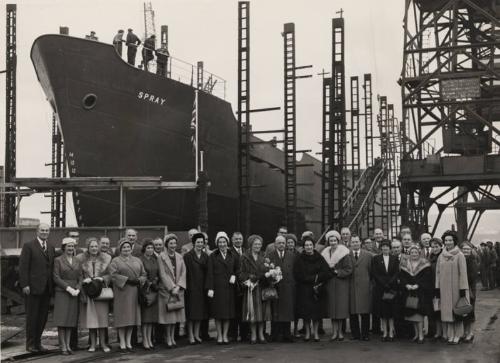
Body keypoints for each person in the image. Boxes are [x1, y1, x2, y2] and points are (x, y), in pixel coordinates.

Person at [19, 223, 55, 353]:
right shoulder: (29, 246)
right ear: (37, 231)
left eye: (47, 230)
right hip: (33, 288)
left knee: (42, 317)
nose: (44, 232)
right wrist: (25, 285)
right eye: (42, 230)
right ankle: (30, 344)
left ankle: (38, 343)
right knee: (32, 316)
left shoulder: (50, 247)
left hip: (46, 289)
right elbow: (23, 267)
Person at [109, 238, 147, 351]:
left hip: (134, 292)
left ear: (131, 249)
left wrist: (139, 280)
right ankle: (122, 342)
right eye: (124, 247)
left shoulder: (137, 260)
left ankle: (129, 342)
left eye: (128, 247)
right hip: (122, 292)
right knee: (122, 318)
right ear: (120, 249)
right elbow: (113, 275)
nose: (126, 249)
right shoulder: (115, 261)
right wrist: (126, 280)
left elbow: (144, 273)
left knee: (132, 318)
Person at [78, 237, 112, 353]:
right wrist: (84, 280)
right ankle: (92, 344)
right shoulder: (81, 260)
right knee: (91, 320)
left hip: (101, 293)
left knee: (102, 320)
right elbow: (79, 275)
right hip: (89, 293)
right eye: (91, 246)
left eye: (96, 246)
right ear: (88, 248)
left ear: (99, 248)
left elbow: (110, 275)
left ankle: (103, 344)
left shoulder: (106, 259)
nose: (94, 248)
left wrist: (102, 278)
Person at [294, 236, 331, 342]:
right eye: (306, 245)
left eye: (310, 245)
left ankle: (315, 333)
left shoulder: (319, 257)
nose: (309, 247)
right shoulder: (300, 258)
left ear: (313, 246)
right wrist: (310, 278)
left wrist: (317, 279)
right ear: (303, 247)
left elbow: (326, 272)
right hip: (304, 289)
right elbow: (297, 274)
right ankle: (307, 333)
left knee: (316, 313)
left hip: (316, 289)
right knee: (306, 313)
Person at [436, 230, 469, 345]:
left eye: (450, 240)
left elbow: (463, 273)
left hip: (456, 289)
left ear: (454, 241)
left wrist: (463, 290)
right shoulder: (441, 256)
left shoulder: (459, 255)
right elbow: (438, 273)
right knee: (447, 313)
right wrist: (437, 287)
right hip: (444, 290)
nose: (448, 242)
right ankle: (450, 335)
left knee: (457, 313)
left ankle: (458, 335)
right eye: (446, 240)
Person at [206, 232, 239, 344]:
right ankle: (219, 335)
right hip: (218, 288)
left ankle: (225, 335)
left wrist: (234, 275)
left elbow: (237, 269)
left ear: (227, 242)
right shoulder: (213, 255)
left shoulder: (232, 255)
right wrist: (210, 288)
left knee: (227, 314)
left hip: (229, 288)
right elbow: (209, 273)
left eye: (224, 242)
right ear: (217, 243)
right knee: (218, 314)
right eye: (219, 242)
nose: (222, 244)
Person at [321, 230, 353, 341]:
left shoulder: (344, 253)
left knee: (340, 309)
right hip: (330, 283)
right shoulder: (325, 253)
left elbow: (348, 269)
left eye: (335, 240)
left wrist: (337, 272)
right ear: (328, 241)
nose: (333, 242)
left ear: (338, 241)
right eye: (331, 240)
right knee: (332, 309)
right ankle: (334, 332)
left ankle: (340, 332)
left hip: (341, 284)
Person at [53, 237, 82, 355]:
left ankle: (68, 345)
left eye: (72, 246)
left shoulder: (77, 261)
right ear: (64, 247)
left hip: (74, 292)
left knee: (70, 320)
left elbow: (80, 276)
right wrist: (68, 288)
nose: (71, 248)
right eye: (68, 246)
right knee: (62, 320)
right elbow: (55, 277)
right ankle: (63, 346)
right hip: (62, 292)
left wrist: (78, 288)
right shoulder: (58, 260)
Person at [399, 245, 433, 344]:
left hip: (420, 292)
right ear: (409, 253)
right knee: (411, 314)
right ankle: (416, 334)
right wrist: (406, 285)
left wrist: (418, 285)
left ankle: (421, 336)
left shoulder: (425, 264)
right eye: (412, 252)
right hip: (409, 292)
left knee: (419, 315)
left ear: (419, 253)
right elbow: (402, 277)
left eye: (416, 252)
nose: (414, 254)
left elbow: (427, 278)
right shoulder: (405, 264)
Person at [158, 234, 187, 348]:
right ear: (166, 244)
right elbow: (162, 274)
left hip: (178, 290)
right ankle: (168, 338)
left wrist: (179, 286)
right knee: (168, 317)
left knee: (175, 316)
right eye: (171, 243)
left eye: (175, 243)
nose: (173, 245)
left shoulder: (180, 256)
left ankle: (172, 337)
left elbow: (184, 272)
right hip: (167, 291)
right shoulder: (161, 257)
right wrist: (171, 287)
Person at [239, 235, 269, 344]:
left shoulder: (264, 256)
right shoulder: (244, 257)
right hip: (250, 289)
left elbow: (268, 270)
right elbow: (241, 273)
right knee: (251, 313)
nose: (258, 246)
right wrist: (248, 279)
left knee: (261, 313)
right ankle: (253, 335)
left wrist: (269, 274)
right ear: (251, 245)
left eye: (259, 244)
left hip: (261, 288)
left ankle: (261, 334)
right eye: (255, 244)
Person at [268, 235, 295, 342]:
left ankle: (286, 334)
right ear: (275, 244)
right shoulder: (270, 255)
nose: (281, 245)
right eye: (279, 243)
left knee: (287, 311)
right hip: (275, 288)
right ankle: (274, 334)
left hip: (288, 287)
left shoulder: (291, 255)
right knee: (275, 311)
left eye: (283, 243)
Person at [183, 232, 209, 344]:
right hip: (191, 288)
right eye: (198, 242)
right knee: (191, 314)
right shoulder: (188, 256)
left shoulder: (206, 256)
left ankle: (197, 334)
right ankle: (191, 335)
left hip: (202, 288)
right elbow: (185, 273)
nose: (200, 244)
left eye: (201, 242)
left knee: (199, 313)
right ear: (193, 243)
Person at [371, 240, 400, 342]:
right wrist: (383, 283)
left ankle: (391, 332)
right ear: (381, 248)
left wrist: (390, 283)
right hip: (381, 288)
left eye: (387, 247)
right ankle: (385, 333)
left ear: (390, 248)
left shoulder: (395, 258)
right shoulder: (376, 259)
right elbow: (375, 273)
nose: (385, 248)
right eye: (383, 247)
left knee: (391, 312)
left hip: (392, 288)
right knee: (383, 312)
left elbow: (397, 272)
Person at [349, 234, 373, 341]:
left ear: (360, 243)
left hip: (365, 286)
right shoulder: (346, 254)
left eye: (357, 241)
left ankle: (365, 334)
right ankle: (355, 334)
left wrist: (370, 284)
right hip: (351, 286)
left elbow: (371, 271)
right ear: (350, 243)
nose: (355, 243)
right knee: (353, 312)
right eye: (353, 242)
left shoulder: (368, 255)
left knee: (365, 312)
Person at [140, 239, 160, 350]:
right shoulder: (141, 260)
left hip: (154, 290)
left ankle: (150, 339)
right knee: (145, 318)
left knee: (152, 318)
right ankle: (145, 340)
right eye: (148, 248)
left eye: (152, 248)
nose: (150, 250)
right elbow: (141, 274)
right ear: (144, 249)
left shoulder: (154, 259)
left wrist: (156, 281)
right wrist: (149, 283)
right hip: (145, 291)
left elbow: (158, 273)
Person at [229, 231, 248, 342]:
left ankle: (244, 334)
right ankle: (233, 334)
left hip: (245, 285)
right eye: (236, 239)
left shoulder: (246, 251)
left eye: (240, 239)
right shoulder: (229, 252)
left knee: (244, 310)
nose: (238, 241)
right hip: (234, 286)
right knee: (234, 311)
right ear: (232, 240)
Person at [460, 242, 478, 343]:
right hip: (463, 289)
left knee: (470, 312)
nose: (466, 251)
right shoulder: (461, 259)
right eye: (464, 249)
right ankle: (465, 332)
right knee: (463, 311)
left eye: (468, 249)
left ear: (471, 250)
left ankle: (470, 333)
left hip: (470, 289)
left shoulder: (472, 261)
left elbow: (472, 277)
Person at [428, 238, 443, 340]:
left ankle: (444, 331)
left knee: (444, 310)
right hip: (432, 286)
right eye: (432, 247)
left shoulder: (443, 257)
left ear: (441, 246)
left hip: (442, 286)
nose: (434, 249)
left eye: (436, 246)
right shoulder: (431, 257)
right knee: (436, 310)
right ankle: (438, 332)